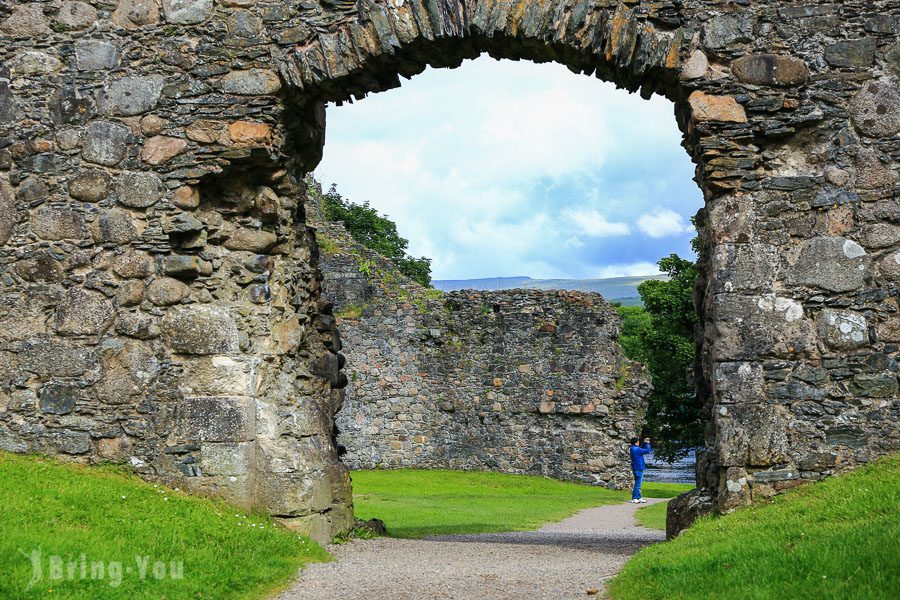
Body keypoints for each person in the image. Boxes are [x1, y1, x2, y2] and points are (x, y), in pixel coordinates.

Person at [629, 436, 652, 503]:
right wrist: (647, 443)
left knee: (638, 483)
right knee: (638, 484)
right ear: (636, 442)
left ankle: (639, 498)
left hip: (636, 467)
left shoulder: (633, 448)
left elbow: (640, 448)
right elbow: (648, 450)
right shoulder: (637, 449)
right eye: (638, 441)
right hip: (638, 468)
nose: (639, 442)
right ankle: (634, 498)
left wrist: (644, 443)